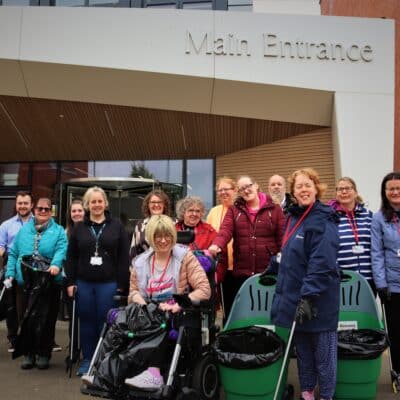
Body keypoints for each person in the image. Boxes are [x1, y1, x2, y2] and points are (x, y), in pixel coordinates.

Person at [81, 214, 211, 390]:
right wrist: (141, 302)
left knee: (158, 319)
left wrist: (179, 304)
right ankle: (101, 371)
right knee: (121, 321)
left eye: (167, 236)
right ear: (150, 237)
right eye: (158, 236)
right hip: (147, 306)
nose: (163, 240)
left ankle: (153, 374)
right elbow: (133, 292)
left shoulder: (185, 257)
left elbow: (204, 289)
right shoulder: (140, 261)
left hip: (173, 309)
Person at [271, 168, 340, 400]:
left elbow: (322, 261)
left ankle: (327, 396)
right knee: (303, 353)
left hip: (316, 299)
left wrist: (308, 296)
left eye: (308, 184)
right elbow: (290, 253)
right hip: (296, 299)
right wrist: (274, 266)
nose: (303, 189)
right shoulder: (293, 216)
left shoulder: (323, 216)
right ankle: (307, 392)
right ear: (293, 191)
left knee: (323, 354)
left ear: (316, 187)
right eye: (298, 186)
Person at [65, 186, 130, 376]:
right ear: (87, 205)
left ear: (105, 203)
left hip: (108, 283)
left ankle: (104, 360)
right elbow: (71, 257)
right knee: (86, 321)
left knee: (106, 321)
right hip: (84, 283)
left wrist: (121, 284)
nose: (96, 205)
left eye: (99, 201)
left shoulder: (116, 226)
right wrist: (70, 282)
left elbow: (123, 258)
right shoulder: (79, 228)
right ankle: (87, 359)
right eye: (92, 202)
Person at [4, 197, 68, 370]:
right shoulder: (24, 231)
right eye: (40, 208)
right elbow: (13, 253)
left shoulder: (59, 231)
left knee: (47, 320)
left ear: (51, 211)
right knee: (26, 318)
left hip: (49, 283)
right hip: (25, 283)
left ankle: (43, 353)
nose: (43, 211)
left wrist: (55, 264)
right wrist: (10, 273)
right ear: (35, 210)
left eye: (47, 209)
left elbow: (62, 249)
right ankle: (28, 353)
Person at [209, 175, 285, 318]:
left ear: (256, 186)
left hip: (268, 271)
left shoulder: (274, 209)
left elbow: (282, 238)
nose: (246, 190)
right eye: (242, 188)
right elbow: (225, 230)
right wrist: (216, 245)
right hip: (242, 273)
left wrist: (284, 257)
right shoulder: (234, 210)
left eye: (248, 186)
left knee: (267, 313)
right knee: (245, 314)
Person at [371, 171, 400, 384]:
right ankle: (398, 371)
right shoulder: (379, 218)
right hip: (393, 285)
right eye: (391, 188)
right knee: (397, 331)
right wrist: (381, 284)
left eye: (398, 188)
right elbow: (377, 252)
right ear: (385, 192)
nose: (395, 192)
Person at [328, 177, 375, 293]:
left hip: (368, 278)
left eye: (348, 188)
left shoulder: (368, 216)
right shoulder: (330, 217)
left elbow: (376, 246)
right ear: (336, 194)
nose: (344, 192)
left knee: (367, 311)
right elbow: (328, 248)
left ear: (355, 192)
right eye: (340, 189)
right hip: (343, 279)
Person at [0, 191, 33, 353]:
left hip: (34, 269)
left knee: (33, 305)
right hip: (11, 268)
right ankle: (14, 339)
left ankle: (34, 338)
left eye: (26, 203)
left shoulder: (40, 222)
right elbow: (1, 248)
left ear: (31, 205)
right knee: (11, 306)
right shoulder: (6, 225)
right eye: (20, 203)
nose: (22, 206)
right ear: (16, 205)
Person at [206, 177, 237, 320]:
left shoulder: (241, 208)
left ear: (235, 190)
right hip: (222, 268)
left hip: (240, 267)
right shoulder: (214, 211)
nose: (223, 192)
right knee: (227, 309)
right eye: (220, 190)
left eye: (227, 189)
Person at [130, 190, 171, 261]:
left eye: (159, 202)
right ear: (148, 205)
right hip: (145, 268)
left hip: (169, 267)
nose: (156, 205)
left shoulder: (173, 223)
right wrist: (133, 268)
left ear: (165, 205)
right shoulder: (140, 225)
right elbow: (134, 250)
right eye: (153, 202)